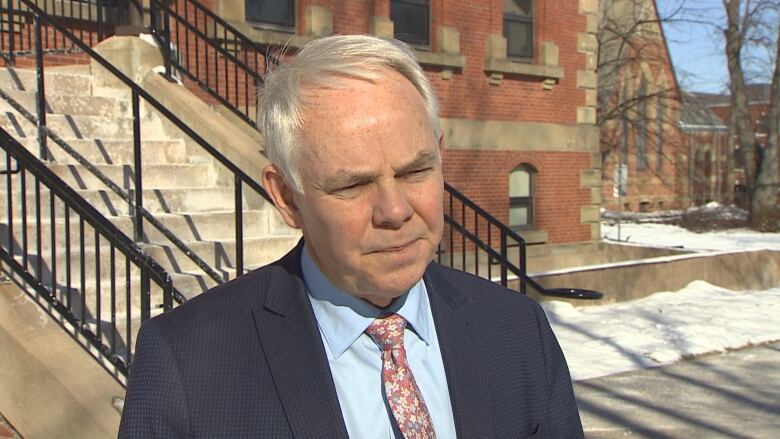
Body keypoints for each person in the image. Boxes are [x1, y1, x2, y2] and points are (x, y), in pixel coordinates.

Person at [119, 34, 583, 438]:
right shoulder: (188, 364)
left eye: (416, 170)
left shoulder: (519, 331)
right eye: (352, 185)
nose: (396, 211)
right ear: (287, 198)